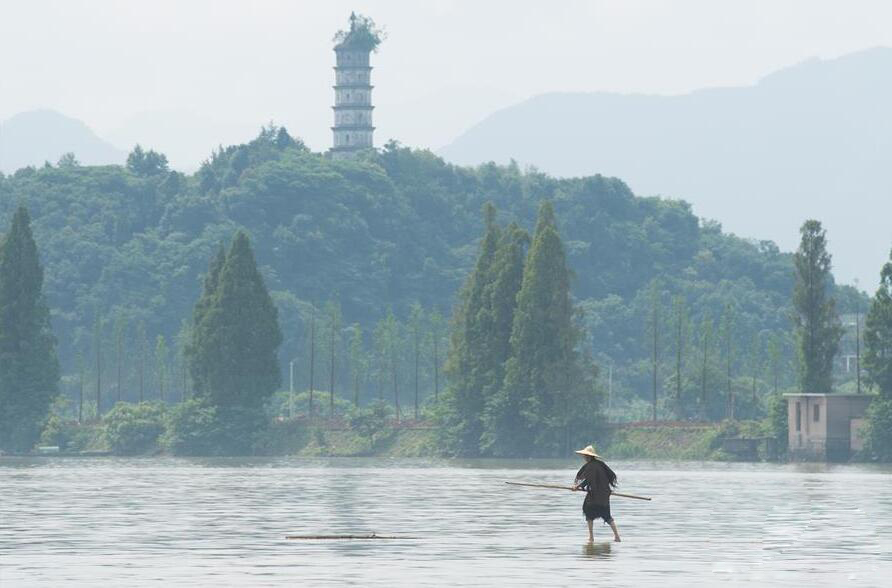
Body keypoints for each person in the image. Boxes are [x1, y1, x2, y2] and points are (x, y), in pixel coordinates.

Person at [573, 445, 621, 543]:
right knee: (607, 516)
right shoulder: (601, 464)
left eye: (585, 456)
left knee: (588, 512)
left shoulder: (591, 466)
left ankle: (591, 538)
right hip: (604, 495)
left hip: (595, 495)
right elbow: (610, 476)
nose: (584, 458)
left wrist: (577, 487)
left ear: (589, 456)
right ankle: (617, 536)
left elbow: (587, 479)